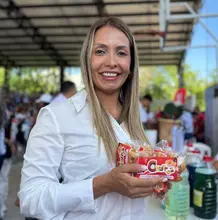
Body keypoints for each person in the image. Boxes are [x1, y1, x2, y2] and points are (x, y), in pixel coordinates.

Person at [18, 17, 170, 220]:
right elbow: (30, 199)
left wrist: (154, 182)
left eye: (121, 53)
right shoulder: (56, 117)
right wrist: (104, 184)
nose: (111, 62)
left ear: (131, 66)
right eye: (100, 51)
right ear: (87, 61)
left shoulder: (133, 120)